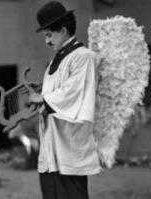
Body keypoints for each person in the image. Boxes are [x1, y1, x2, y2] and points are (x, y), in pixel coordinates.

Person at [29, 1, 102, 199]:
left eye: (49, 35)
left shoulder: (83, 57)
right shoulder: (56, 59)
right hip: (51, 146)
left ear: (62, 30)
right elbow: (59, 90)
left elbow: (74, 93)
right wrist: (43, 90)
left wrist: (43, 99)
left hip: (69, 146)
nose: (47, 41)